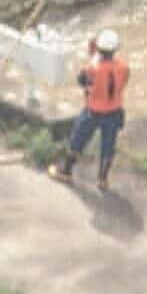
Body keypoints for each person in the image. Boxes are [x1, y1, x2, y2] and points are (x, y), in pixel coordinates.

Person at [48, 29, 128, 190]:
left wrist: (92, 57)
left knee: (78, 139)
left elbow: (82, 81)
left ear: (98, 48)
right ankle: (102, 179)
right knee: (108, 145)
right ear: (115, 50)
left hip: (94, 112)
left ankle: (65, 172)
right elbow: (121, 81)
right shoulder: (124, 67)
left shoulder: (92, 68)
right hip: (114, 112)